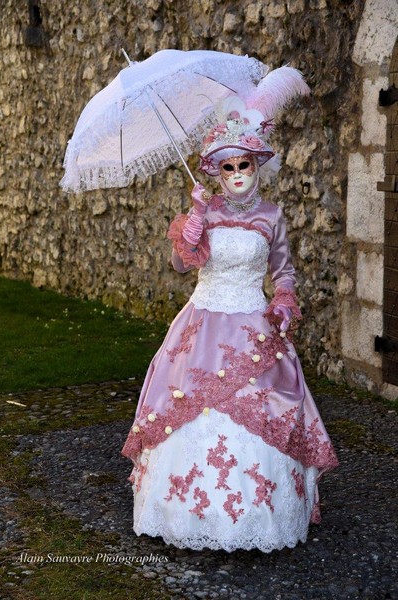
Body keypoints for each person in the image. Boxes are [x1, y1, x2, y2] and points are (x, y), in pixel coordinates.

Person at [121, 67, 339, 552]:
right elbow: (180, 265)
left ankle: (264, 513)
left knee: (264, 407)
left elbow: (283, 272)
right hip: (201, 325)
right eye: (228, 167)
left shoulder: (272, 217)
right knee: (188, 405)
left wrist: (284, 300)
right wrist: (194, 222)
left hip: (254, 327)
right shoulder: (206, 211)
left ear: (258, 166)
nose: (238, 174)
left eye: (245, 165)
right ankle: (183, 509)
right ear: (215, 172)